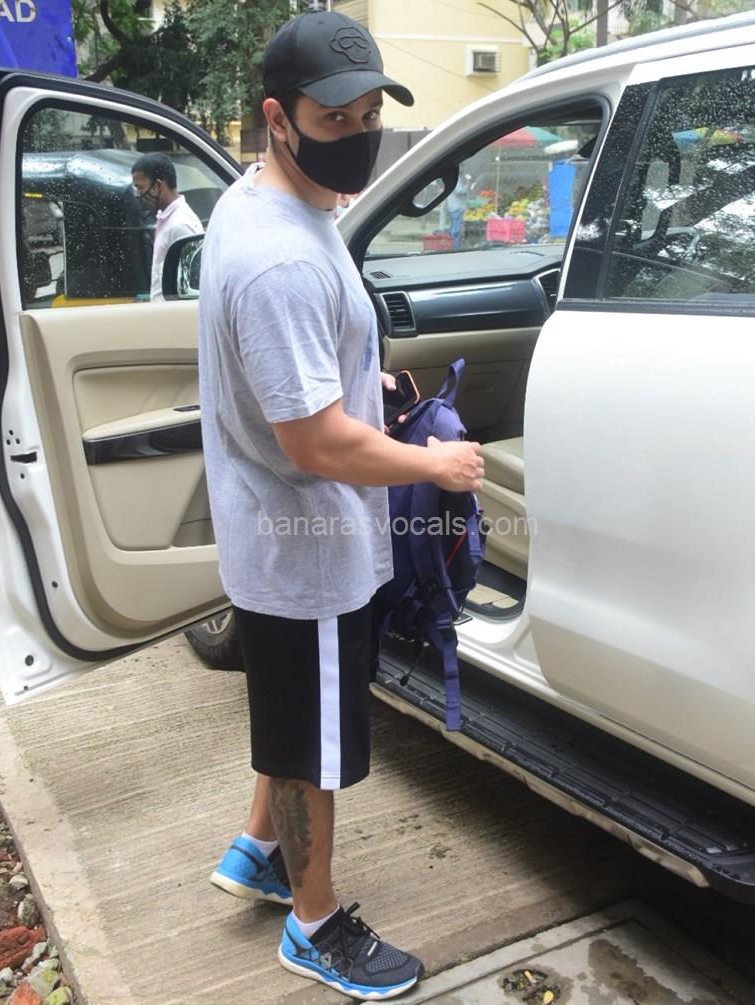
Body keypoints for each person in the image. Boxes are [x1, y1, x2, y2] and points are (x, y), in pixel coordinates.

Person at [197, 9, 484, 1001]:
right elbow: (314, 442)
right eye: (334, 120)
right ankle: (312, 922)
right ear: (277, 118)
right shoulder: (276, 258)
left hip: (281, 535)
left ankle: (257, 851)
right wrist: (432, 464)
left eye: (369, 115)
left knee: (293, 714)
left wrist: (372, 388)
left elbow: (309, 383)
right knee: (314, 744)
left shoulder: (272, 201)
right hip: (307, 548)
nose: (357, 135)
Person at [131, 153, 203, 302]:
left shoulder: (180, 226)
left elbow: (189, 292)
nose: (137, 195)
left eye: (140, 188)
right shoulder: (166, 219)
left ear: (158, 186)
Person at [446, 172, 471, 249]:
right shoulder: (456, 179)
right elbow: (459, 191)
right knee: (456, 229)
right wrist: (468, 185)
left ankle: (451, 246)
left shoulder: (450, 178)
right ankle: (456, 248)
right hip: (457, 207)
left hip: (453, 206)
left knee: (453, 227)